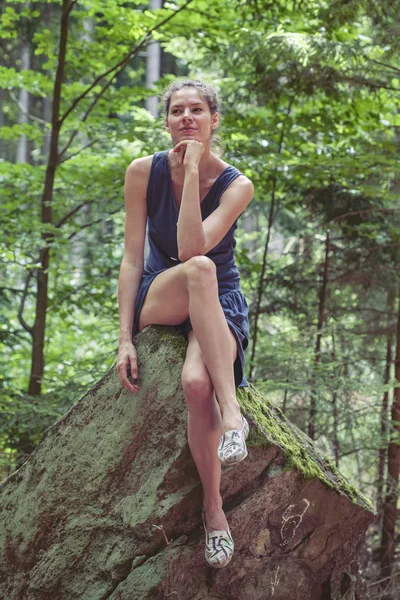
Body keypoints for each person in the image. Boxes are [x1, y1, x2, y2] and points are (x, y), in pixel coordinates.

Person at [116, 79, 254, 568]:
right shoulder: (142, 172)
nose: (187, 118)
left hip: (218, 301)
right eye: (177, 111)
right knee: (198, 268)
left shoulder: (237, 184)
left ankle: (214, 512)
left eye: (198, 110)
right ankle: (234, 415)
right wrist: (124, 339)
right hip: (164, 291)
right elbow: (136, 258)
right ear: (167, 121)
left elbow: (198, 242)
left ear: (214, 120)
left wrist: (195, 173)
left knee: (196, 384)